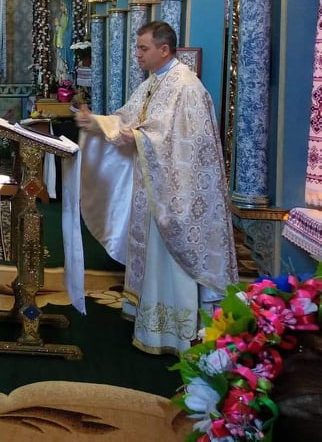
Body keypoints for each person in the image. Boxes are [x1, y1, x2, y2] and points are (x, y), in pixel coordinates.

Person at [75, 21, 238, 355]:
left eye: (143, 48)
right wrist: (97, 123)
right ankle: (151, 321)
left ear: (164, 49)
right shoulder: (154, 83)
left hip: (179, 194)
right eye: (137, 48)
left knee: (171, 259)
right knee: (153, 255)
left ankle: (176, 332)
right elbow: (128, 119)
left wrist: (137, 138)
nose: (137, 54)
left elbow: (183, 145)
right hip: (154, 187)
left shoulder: (186, 87)